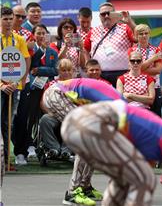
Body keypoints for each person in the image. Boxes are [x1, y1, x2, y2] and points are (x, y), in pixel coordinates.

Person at [61, 99, 162, 206]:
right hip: (87, 125)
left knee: (124, 181)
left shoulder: (156, 147)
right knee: (145, 178)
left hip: (75, 125)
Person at [42, 78, 123, 206]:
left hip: (62, 96)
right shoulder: (112, 103)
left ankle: (84, 187)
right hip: (56, 94)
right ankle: (72, 193)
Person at [13, 24, 58, 165]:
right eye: (38, 33)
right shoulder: (30, 50)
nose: (41, 36)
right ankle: (23, 150)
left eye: (43, 33)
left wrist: (39, 70)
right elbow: (30, 67)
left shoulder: (52, 52)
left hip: (47, 90)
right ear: (33, 35)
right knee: (28, 119)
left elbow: (54, 71)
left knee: (43, 119)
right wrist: (38, 66)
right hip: (32, 89)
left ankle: (44, 149)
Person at [0, 6, 30, 169]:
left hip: (14, 86)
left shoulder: (19, 39)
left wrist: (21, 80)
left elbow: (25, 60)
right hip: (1, 88)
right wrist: (1, 86)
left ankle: (6, 160)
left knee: (7, 124)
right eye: (5, 19)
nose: (9, 22)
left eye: (10, 19)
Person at [84, 2, 136, 87]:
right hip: (99, 75)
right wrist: (88, 64)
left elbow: (139, 37)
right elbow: (85, 49)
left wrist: (130, 22)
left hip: (122, 74)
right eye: (103, 14)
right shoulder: (93, 31)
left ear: (114, 14)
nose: (106, 16)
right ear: (100, 16)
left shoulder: (125, 28)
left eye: (109, 13)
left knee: (120, 100)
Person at [38, 59, 74, 160]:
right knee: (45, 119)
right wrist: (49, 112)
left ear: (73, 71)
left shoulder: (78, 84)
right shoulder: (51, 84)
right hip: (54, 115)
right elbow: (42, 102)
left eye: (69, 70)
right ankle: (54, 149)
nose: (66, 73)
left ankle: (66, 151)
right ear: (58, 71)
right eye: (63, 70)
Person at [131, 24, 162, 116]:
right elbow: (133, 69)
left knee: (156, 117)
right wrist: (152, 59)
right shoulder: (132, 50)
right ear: (136, 36)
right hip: (137, 88)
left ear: (149, 34)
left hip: (154, 86)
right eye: (141, 34)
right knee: (140, 116)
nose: (144, 36)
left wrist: (140, 68)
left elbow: (157, 70)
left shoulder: (156, 50)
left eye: (146, 33)